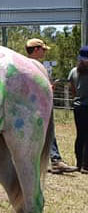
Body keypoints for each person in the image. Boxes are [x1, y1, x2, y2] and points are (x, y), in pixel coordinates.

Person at [26, 38, 78, 174]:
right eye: (43, 49)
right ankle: (55, 160)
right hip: (38, 105)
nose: (44, 52)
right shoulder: (32, 66)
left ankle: (47, 161)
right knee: (47, 132)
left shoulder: (27, 65)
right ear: (36, 49)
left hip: (32, 105)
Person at [68, 46, 88, 173]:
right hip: (85, 106)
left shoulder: (74, 71)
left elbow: (73, 90)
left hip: (78, 107)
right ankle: (85, 165)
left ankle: (79, 162)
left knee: (80, 135)